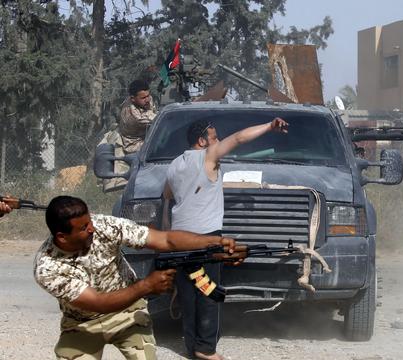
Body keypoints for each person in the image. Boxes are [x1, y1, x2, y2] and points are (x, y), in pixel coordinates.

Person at [33, 195, 240, 360]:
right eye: (84, 228)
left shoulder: (104, 226)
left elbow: (165, 240)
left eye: (90, 222)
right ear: (62, 236)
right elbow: (97, 303)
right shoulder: (47, 267)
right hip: (82, 324)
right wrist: (146, 286)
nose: (92, 229)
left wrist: (213, 242)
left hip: (128, 312)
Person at [164, 117, 288, 360]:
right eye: (214, 138)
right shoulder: (207, 158)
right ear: (202, 141)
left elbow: (167, 194)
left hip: (178, 240)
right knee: (209, 291)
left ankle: (192, 347)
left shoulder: (175, 164)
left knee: (189, 293)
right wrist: (269, 126)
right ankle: (206, 349)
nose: (218, 142)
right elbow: (240, 138)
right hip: (206, 241)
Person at [118, 79, 158, 154]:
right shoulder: (136, 117)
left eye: (148, 95)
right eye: (143, 98)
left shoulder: (143, 101)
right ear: (133, 99)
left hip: (146, 133)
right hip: (135, 145)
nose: (147, 100)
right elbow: (160, 121)